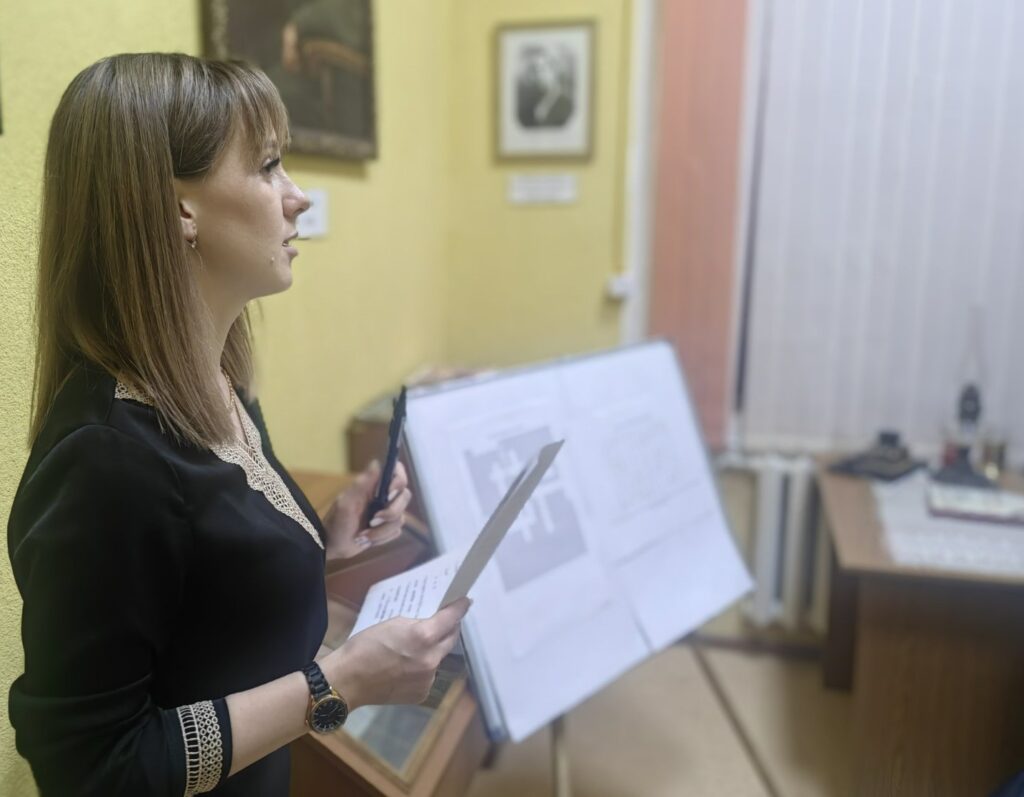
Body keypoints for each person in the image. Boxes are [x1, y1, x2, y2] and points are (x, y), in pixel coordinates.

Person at [6, 52, 470, 797]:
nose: (299, 198)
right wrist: (339, 683)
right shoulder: (104, 458)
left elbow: (202, 609)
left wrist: (318, 543)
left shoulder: (217, 383)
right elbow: (93, 768)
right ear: (178, 209)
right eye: (268, 166)